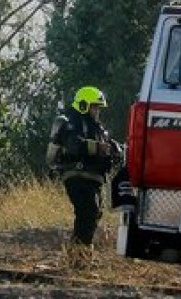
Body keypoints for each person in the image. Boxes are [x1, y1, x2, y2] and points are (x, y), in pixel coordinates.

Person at [46, 86, 124, 250]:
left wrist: (115, 149)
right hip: (77, 175)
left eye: (98, 108)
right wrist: (98, 147)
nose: (97, 111)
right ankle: (78, 255)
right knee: (88, 212)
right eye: (94, 107)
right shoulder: (71, 122)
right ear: (83, 105)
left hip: (93, 178)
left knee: (93, 214)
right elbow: (74, 144)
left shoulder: (96, 127)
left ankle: (78, 254)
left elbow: (106, 145)